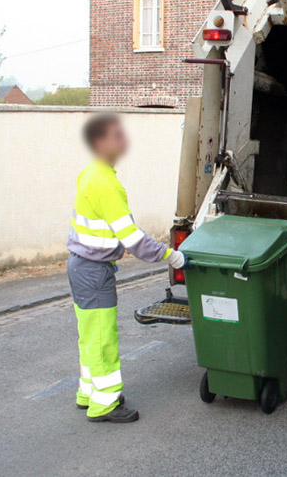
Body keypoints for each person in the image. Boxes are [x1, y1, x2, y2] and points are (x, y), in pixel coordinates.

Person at [67, 113, 189, 423]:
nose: (123, 142)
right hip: (94, 271)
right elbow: (133, 239)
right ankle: (105, 405)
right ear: (99, 142)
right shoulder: (107, 185)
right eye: (116, 136)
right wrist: (171, 256)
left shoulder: (90, 173)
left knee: (89, 335)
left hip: (81, 266)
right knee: (103, 338)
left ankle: (88, 394)